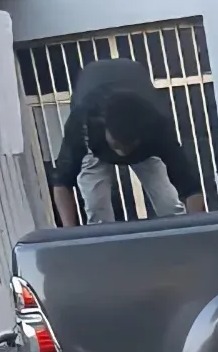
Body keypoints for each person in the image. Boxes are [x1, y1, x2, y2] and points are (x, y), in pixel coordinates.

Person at [49, 58, 208, 227]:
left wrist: (197, 230)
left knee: (169, 205)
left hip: (145, 148)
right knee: (96, 209)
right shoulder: (83, 123)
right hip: (95, 147)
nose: (122, 153)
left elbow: (190, 187)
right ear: (105, 129)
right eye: (117, 145)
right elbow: (62, 183)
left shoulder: (157, 127)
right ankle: (102, 240)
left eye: (129, 146)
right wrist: (70, 233)